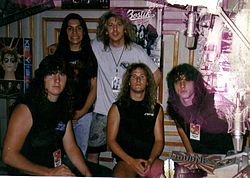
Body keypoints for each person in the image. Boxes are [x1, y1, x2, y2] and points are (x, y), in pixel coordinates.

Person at [2, 55, 112, 176]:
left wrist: (87, 173)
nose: (57, 80)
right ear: (42, 78)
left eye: (62, 74)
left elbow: (71, 147)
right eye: (51, 74)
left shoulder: (63, 106)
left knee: (105, 173)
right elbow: (8, 156)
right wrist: (49, 172)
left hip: (54, 169)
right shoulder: (25, 109)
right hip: (30, 173)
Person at [88, 10, 162, 163]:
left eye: (119, 25)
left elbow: (156, 75)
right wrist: (56, 46)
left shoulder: (136, 50)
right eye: (110, 25)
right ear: (105, 30)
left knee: (125, 154)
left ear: (125, 28)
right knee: (92, 155)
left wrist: (143, 97)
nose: (115, 29)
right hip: (102, 110)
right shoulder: (96, 46)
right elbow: (76, 46)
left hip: (126, 112)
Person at [107, 63, 164, 178]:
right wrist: (131, 161)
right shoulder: (117, 107)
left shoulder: (156, 108)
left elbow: (159, 140)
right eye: (134, 76)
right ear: (128, 81)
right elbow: (111, 141)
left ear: (147, 82)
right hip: (126, 162)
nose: (138, 80)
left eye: (142, 77)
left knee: (173, 173)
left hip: (149, 161)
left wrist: (151, 160)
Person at [54, 13, 97, 157]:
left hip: (84, 115)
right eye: (70, 29)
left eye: (78, 28)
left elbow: (94, 88)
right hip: (60, 113)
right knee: (59, 155)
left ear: (84, 32)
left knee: (80, 155)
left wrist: (82, 111)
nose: (75, 33)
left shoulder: (90, 57)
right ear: (65, 32)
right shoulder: (57, 56)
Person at [166, 63, 234, 154]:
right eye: (177, 80)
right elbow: (184, 136)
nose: (182, 85)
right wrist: (193, 158)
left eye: (187, 79)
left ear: (195, 82)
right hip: (201, 160)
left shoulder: (213, 101)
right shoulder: (175, 108)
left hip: (227, 156)